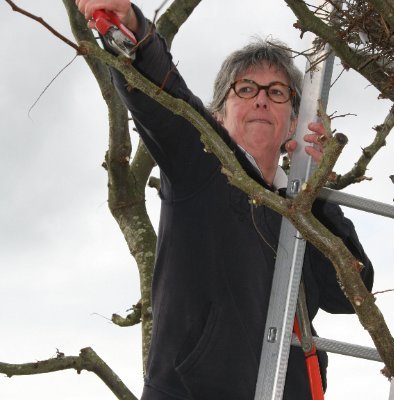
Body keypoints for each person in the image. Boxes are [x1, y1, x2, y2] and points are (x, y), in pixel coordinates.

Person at [76, 2, 374, 399]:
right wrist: (131, 26)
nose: (262, 101)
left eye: (278, 92)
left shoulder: (301, 205)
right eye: (246, 89)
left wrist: (316, 190)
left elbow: (350, 294)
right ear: (217, 115)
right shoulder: (202, 165)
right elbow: (165, 100)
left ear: (293, 122)